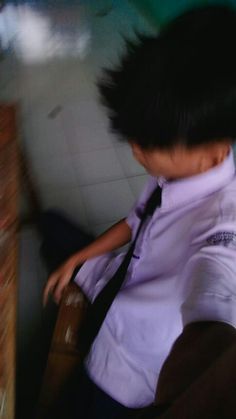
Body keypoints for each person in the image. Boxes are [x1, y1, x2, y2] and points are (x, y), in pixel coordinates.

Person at [43, 5, 236, 418]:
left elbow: (216, 296)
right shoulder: (183, 169)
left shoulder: (224, 227)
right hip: (117, 285)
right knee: (52, 228)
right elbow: (138, 219)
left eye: (150, 144)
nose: (135, 150)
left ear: (213, 154)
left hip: (127, 365)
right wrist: (81, 258)